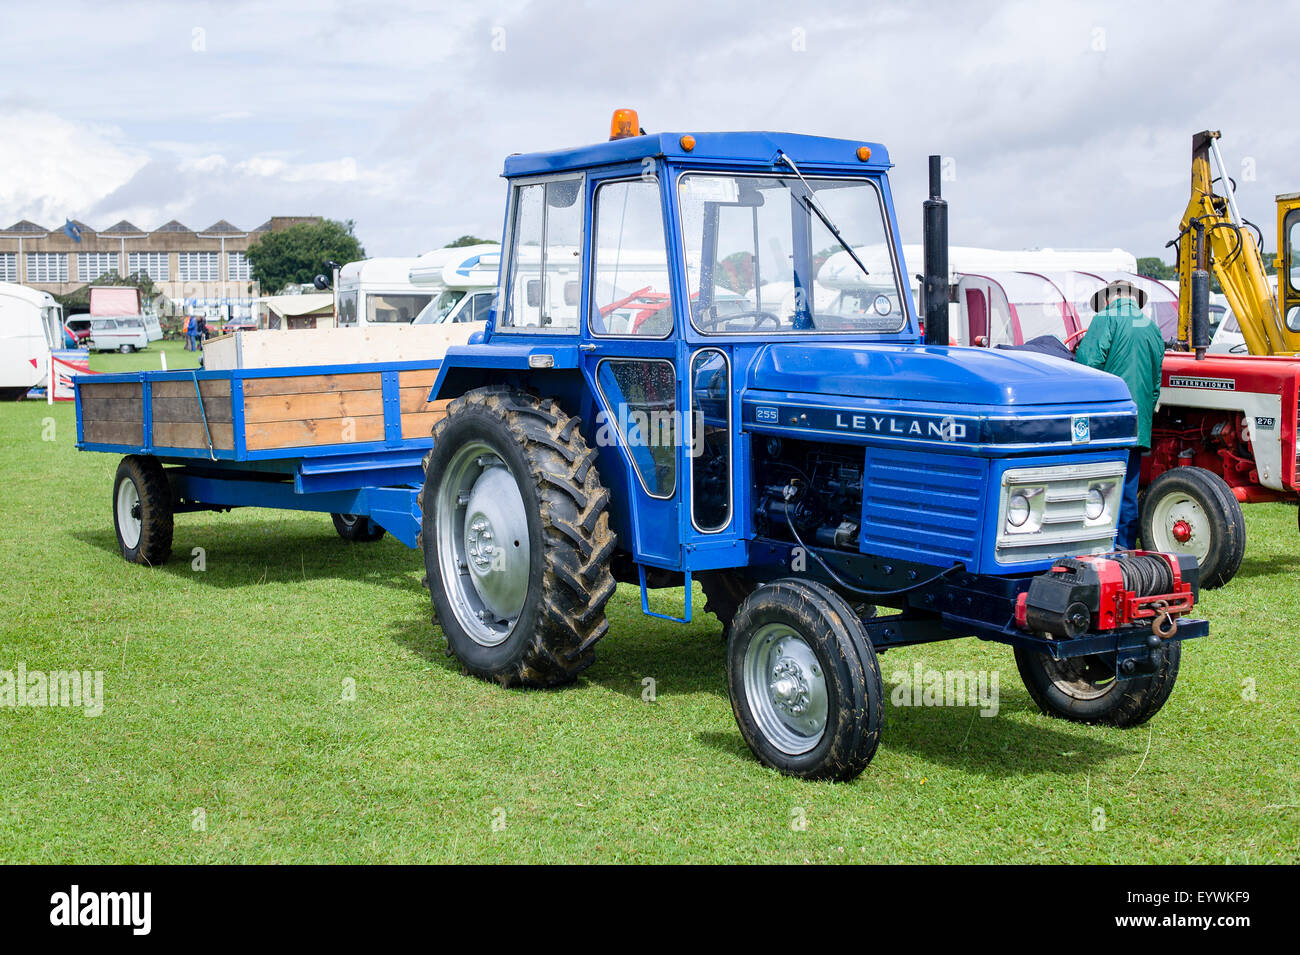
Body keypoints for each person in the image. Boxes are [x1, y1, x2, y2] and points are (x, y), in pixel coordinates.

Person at [1075, 280, 1164, 549]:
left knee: (1100, 486)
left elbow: (1086, 366)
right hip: (1139, 421)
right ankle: (1125, 546)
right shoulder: (1151, 327)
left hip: (1108, 420)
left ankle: (1097, 544)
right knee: (1128, 489)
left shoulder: (1106, 318)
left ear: (1107, 299)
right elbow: (1156, 383)